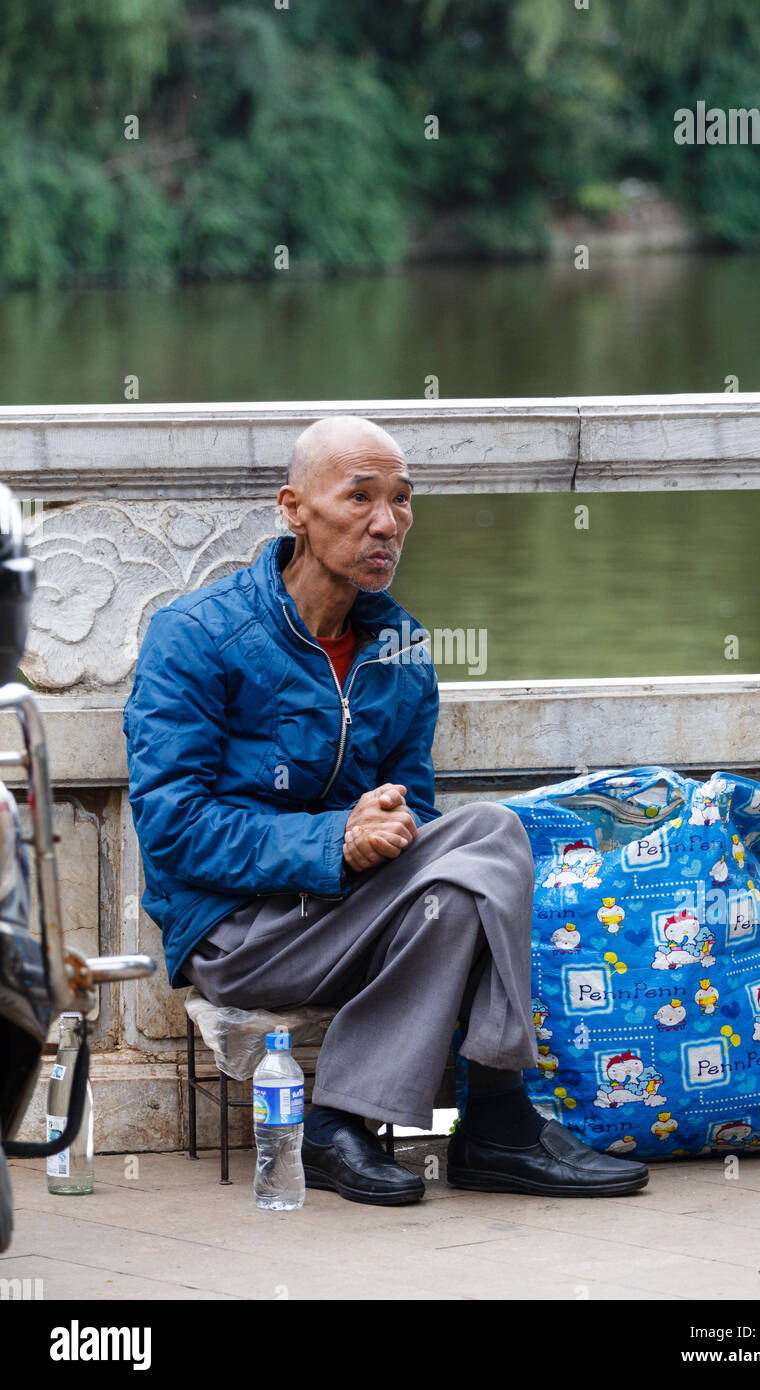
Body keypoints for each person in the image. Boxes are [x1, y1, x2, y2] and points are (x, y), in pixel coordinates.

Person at [123, 416, 648, 1205]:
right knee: (494, 832)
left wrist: (387, 827)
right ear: (294, 508)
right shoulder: (197, 636)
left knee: (453, 890)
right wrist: (335, 838)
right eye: (361, 496)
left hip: (352, 920)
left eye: (402, 500)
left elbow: (420, 819)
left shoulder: (399, 645)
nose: (388, 522)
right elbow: (173, 828)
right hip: (238, 934)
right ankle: (498, 1113)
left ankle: (342, 1127)